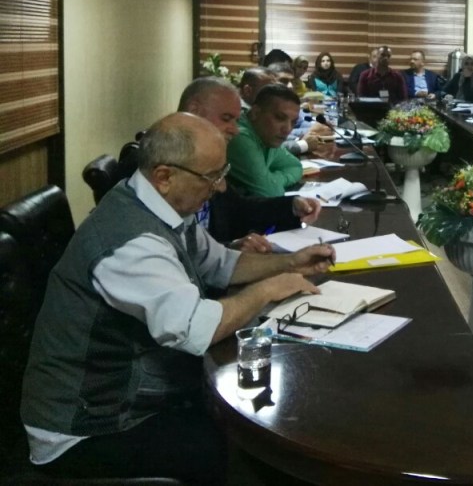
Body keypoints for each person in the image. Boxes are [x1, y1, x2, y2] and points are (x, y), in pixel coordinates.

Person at [20, 113, 334, 484]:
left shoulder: (161, 206)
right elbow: (196, 329)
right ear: (165, 176)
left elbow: (220, 264)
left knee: (246, 409)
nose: (220, 188)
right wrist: (268, 289)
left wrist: (291, 262)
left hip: (128, 395)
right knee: (232, 445)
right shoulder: (131, 244)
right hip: (86, 427)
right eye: (212, 177)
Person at [175, 77, 320, 251]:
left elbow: (238, 208)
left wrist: (291, 207)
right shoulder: (167, 164)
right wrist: (229, 249)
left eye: (236, 120)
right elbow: (176, 250)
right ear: (194, 111)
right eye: (226, 118)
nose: (235, 129)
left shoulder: (204, 158)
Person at [226, 84, 304, 197]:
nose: (288, 129)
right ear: (255, 113)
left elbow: (295, 166)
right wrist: (270, 183)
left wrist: (274, 180)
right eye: (280, 118)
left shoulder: (267, 136)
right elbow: (272, 193)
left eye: (293, 122)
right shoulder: (240, 138)